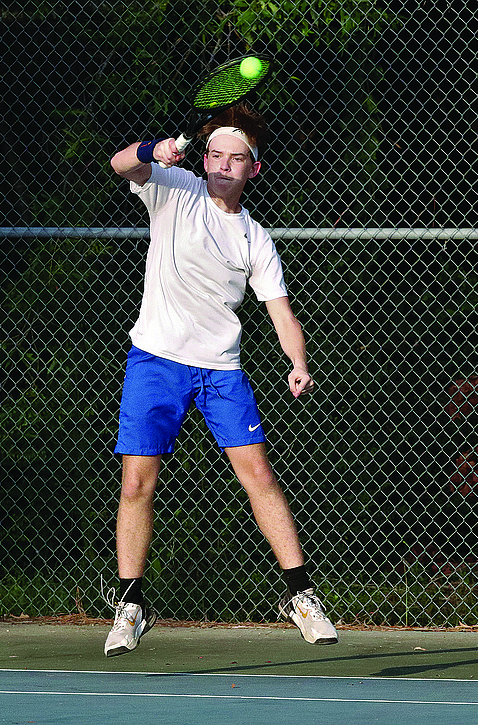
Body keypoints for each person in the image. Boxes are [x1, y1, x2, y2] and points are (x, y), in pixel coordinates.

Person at [104, 104, 337, 657]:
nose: (223, 165)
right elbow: (118, 165)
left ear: (254, 169)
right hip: (155, 362)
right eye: (215, 155)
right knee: (137, 482)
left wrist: (297, 361)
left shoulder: (255, 239)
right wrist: (149, 150)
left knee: (258, 473)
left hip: (221, 371)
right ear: (203, 159)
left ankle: (301, 595)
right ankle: (131, 603)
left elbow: (282, 313)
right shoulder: (174, 188)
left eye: (237, 158)